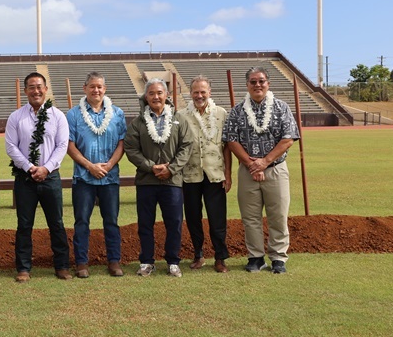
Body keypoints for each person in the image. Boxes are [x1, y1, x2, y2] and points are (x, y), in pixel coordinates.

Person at [223, 67, 300, 274]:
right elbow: (231, 140)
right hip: (247, 170)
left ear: (268, 83)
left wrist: (265, 162)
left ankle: (278, 257)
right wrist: (251, 164)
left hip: (275, 169)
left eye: (261, 81)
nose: (257, 85)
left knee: (278, 215)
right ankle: (255, 257)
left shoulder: (281, 107)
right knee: (250, 217)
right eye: (253, 81)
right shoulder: (237, 111)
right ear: (247, 85)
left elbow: (288, 139)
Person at [5, 72, 72, 282]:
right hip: (25, 179)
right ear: (26, 91)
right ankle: (23, 268)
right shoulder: (16, 117)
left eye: (39, 86)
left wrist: (46, 168)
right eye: (32, 87)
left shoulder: (58, 116)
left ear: (45, 89)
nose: (36, 91)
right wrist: (30, 167)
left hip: (50, 177)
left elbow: (62, 145)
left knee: (57, 223)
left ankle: (62, 266)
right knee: (24, 225)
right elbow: (11, 147)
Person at [124, 79, 193, 277]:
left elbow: (187, 146)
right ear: (146, 97)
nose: (156, 97)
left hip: (172, 181)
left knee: (174, 222)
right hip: (147, 181)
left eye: (160, 93)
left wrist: (172, 169)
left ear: (166, 95)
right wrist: (150, 167)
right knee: (145, 223)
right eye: (152, 93)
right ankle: (146, 261)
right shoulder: (138, 122)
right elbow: (131, 148)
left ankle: (173, 261)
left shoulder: (179, 119)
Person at [66, 71, 127, 277]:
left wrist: (109, 165)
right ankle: (81, 263)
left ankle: (114, 261)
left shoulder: (117, 113)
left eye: (100, 86)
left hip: (109, 178)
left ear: (105, 89)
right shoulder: (73, 115)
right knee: (82, 221)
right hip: (84, 177)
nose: (96, 90)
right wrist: (90, 166)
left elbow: (122, 143)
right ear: (85, 88)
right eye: (92, 86)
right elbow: (70, 145)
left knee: (111, 221)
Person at [179, 76, 232, 273]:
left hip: (215, 173)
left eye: (203, 92)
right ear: (190, 93)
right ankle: (198, 254)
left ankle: (220, 257)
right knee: (193, 217)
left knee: (217, 218)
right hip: (189, 174)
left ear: (209, 92)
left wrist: (228, 173)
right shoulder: (181, 116)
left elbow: (227, 147)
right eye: (196, 92)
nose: (199, 95)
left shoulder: (221, 113)